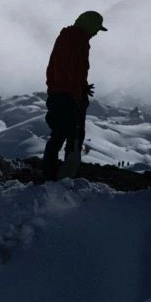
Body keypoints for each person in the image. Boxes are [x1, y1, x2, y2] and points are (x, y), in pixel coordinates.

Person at [43, 10, 107, 180]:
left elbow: (63, 69)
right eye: (95, 28)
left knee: (58, 133)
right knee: (72, 134)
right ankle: (65, 176)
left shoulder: (66, 36)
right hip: (68, 96)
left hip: (57, 92)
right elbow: (75, 70)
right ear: (89, 25)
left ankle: (50, 173)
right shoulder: (79, 40)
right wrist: (78, 94)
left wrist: (81, 87)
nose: (96, 33)